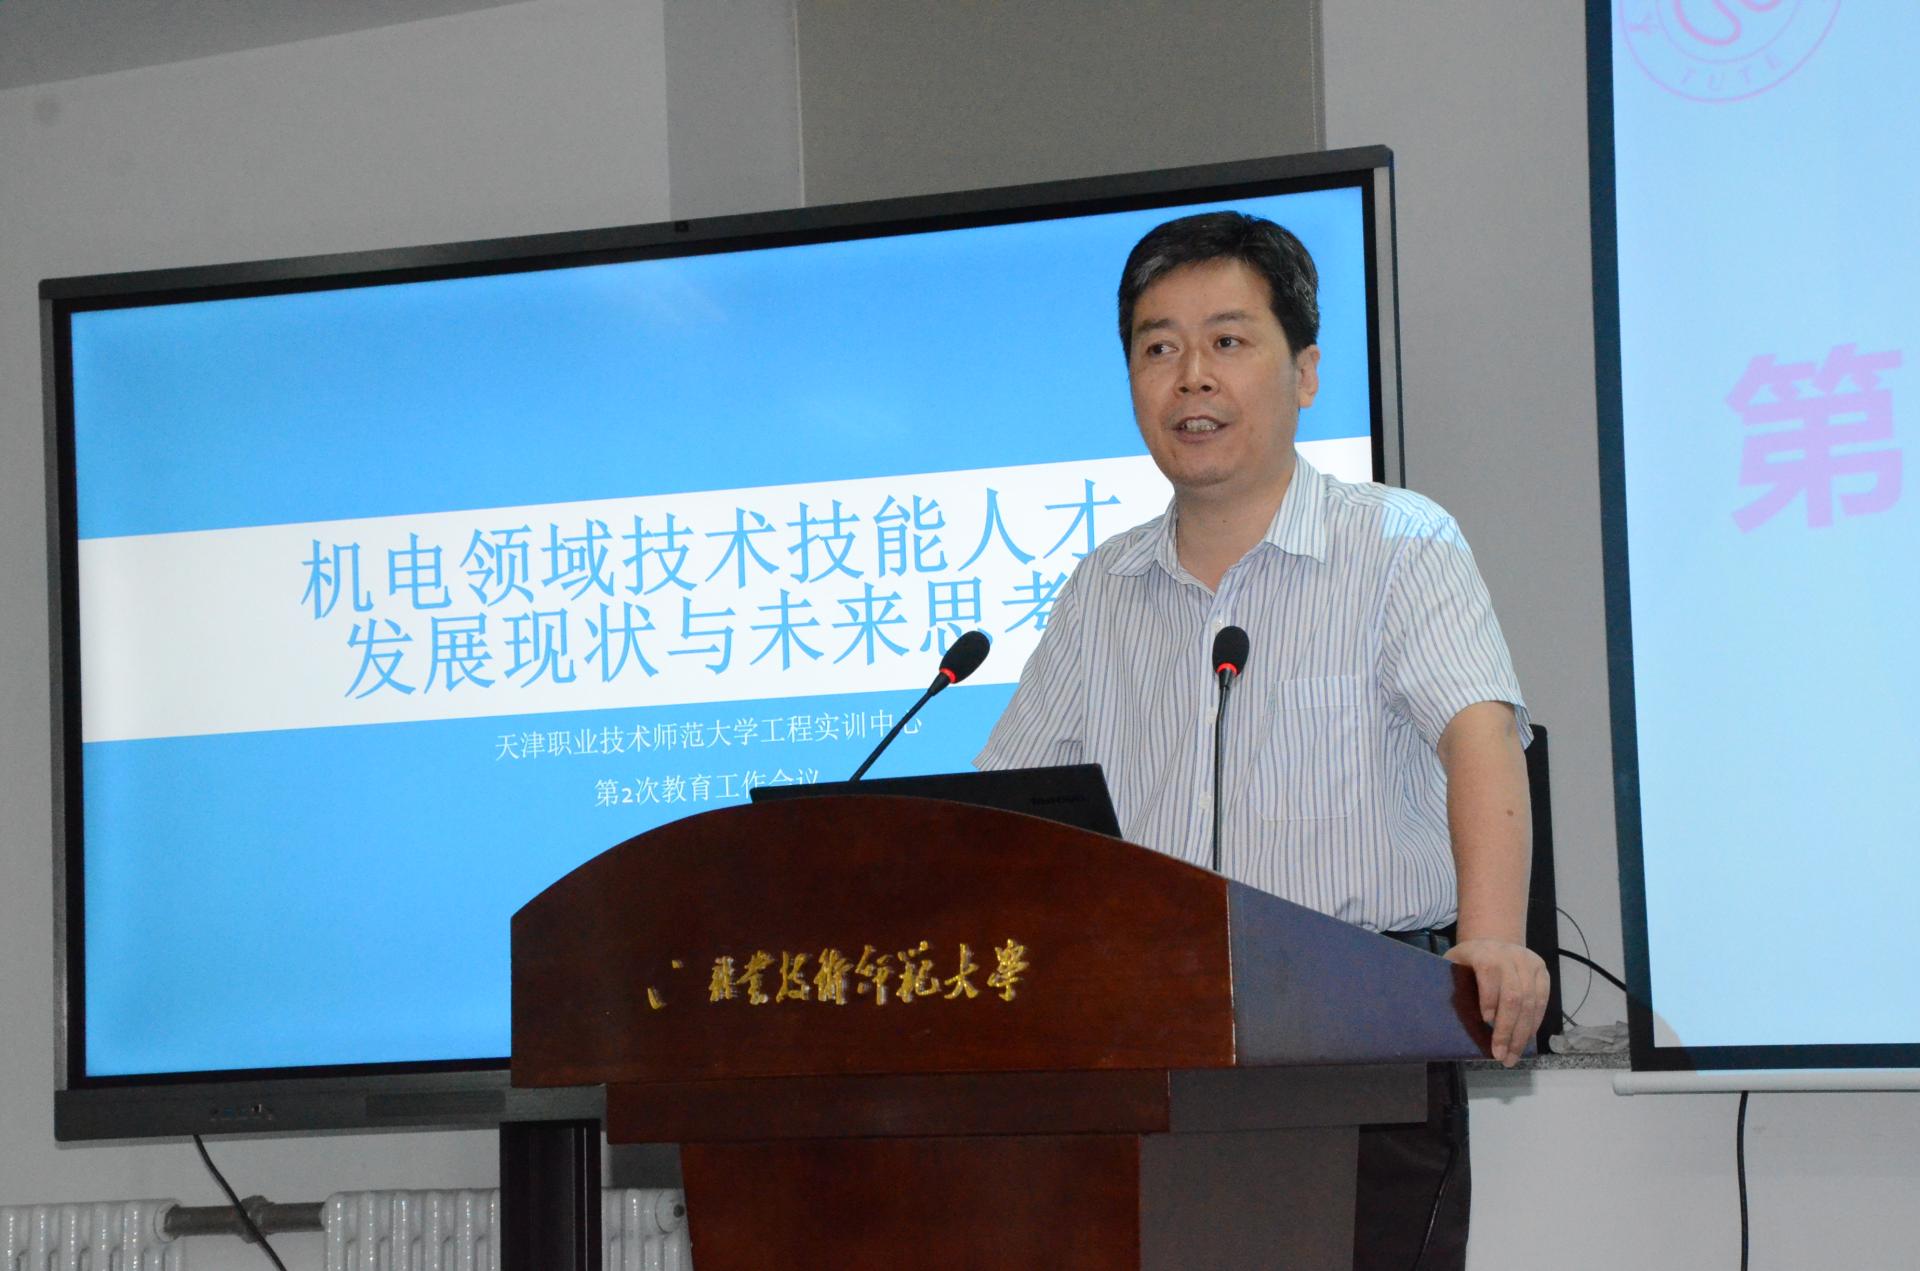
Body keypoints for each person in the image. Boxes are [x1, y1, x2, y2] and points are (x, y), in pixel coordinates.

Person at [975, 210, 1549, 1270]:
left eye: (1228, 340)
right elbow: (1004, 811)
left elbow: (1480, 735)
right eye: (1158, 347)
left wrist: (1494, 938)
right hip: (1144, 1054)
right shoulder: (1103, 588)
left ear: (1306, 372)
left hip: (1357, 1042)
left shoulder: (1397, 543)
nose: (1191, 376)